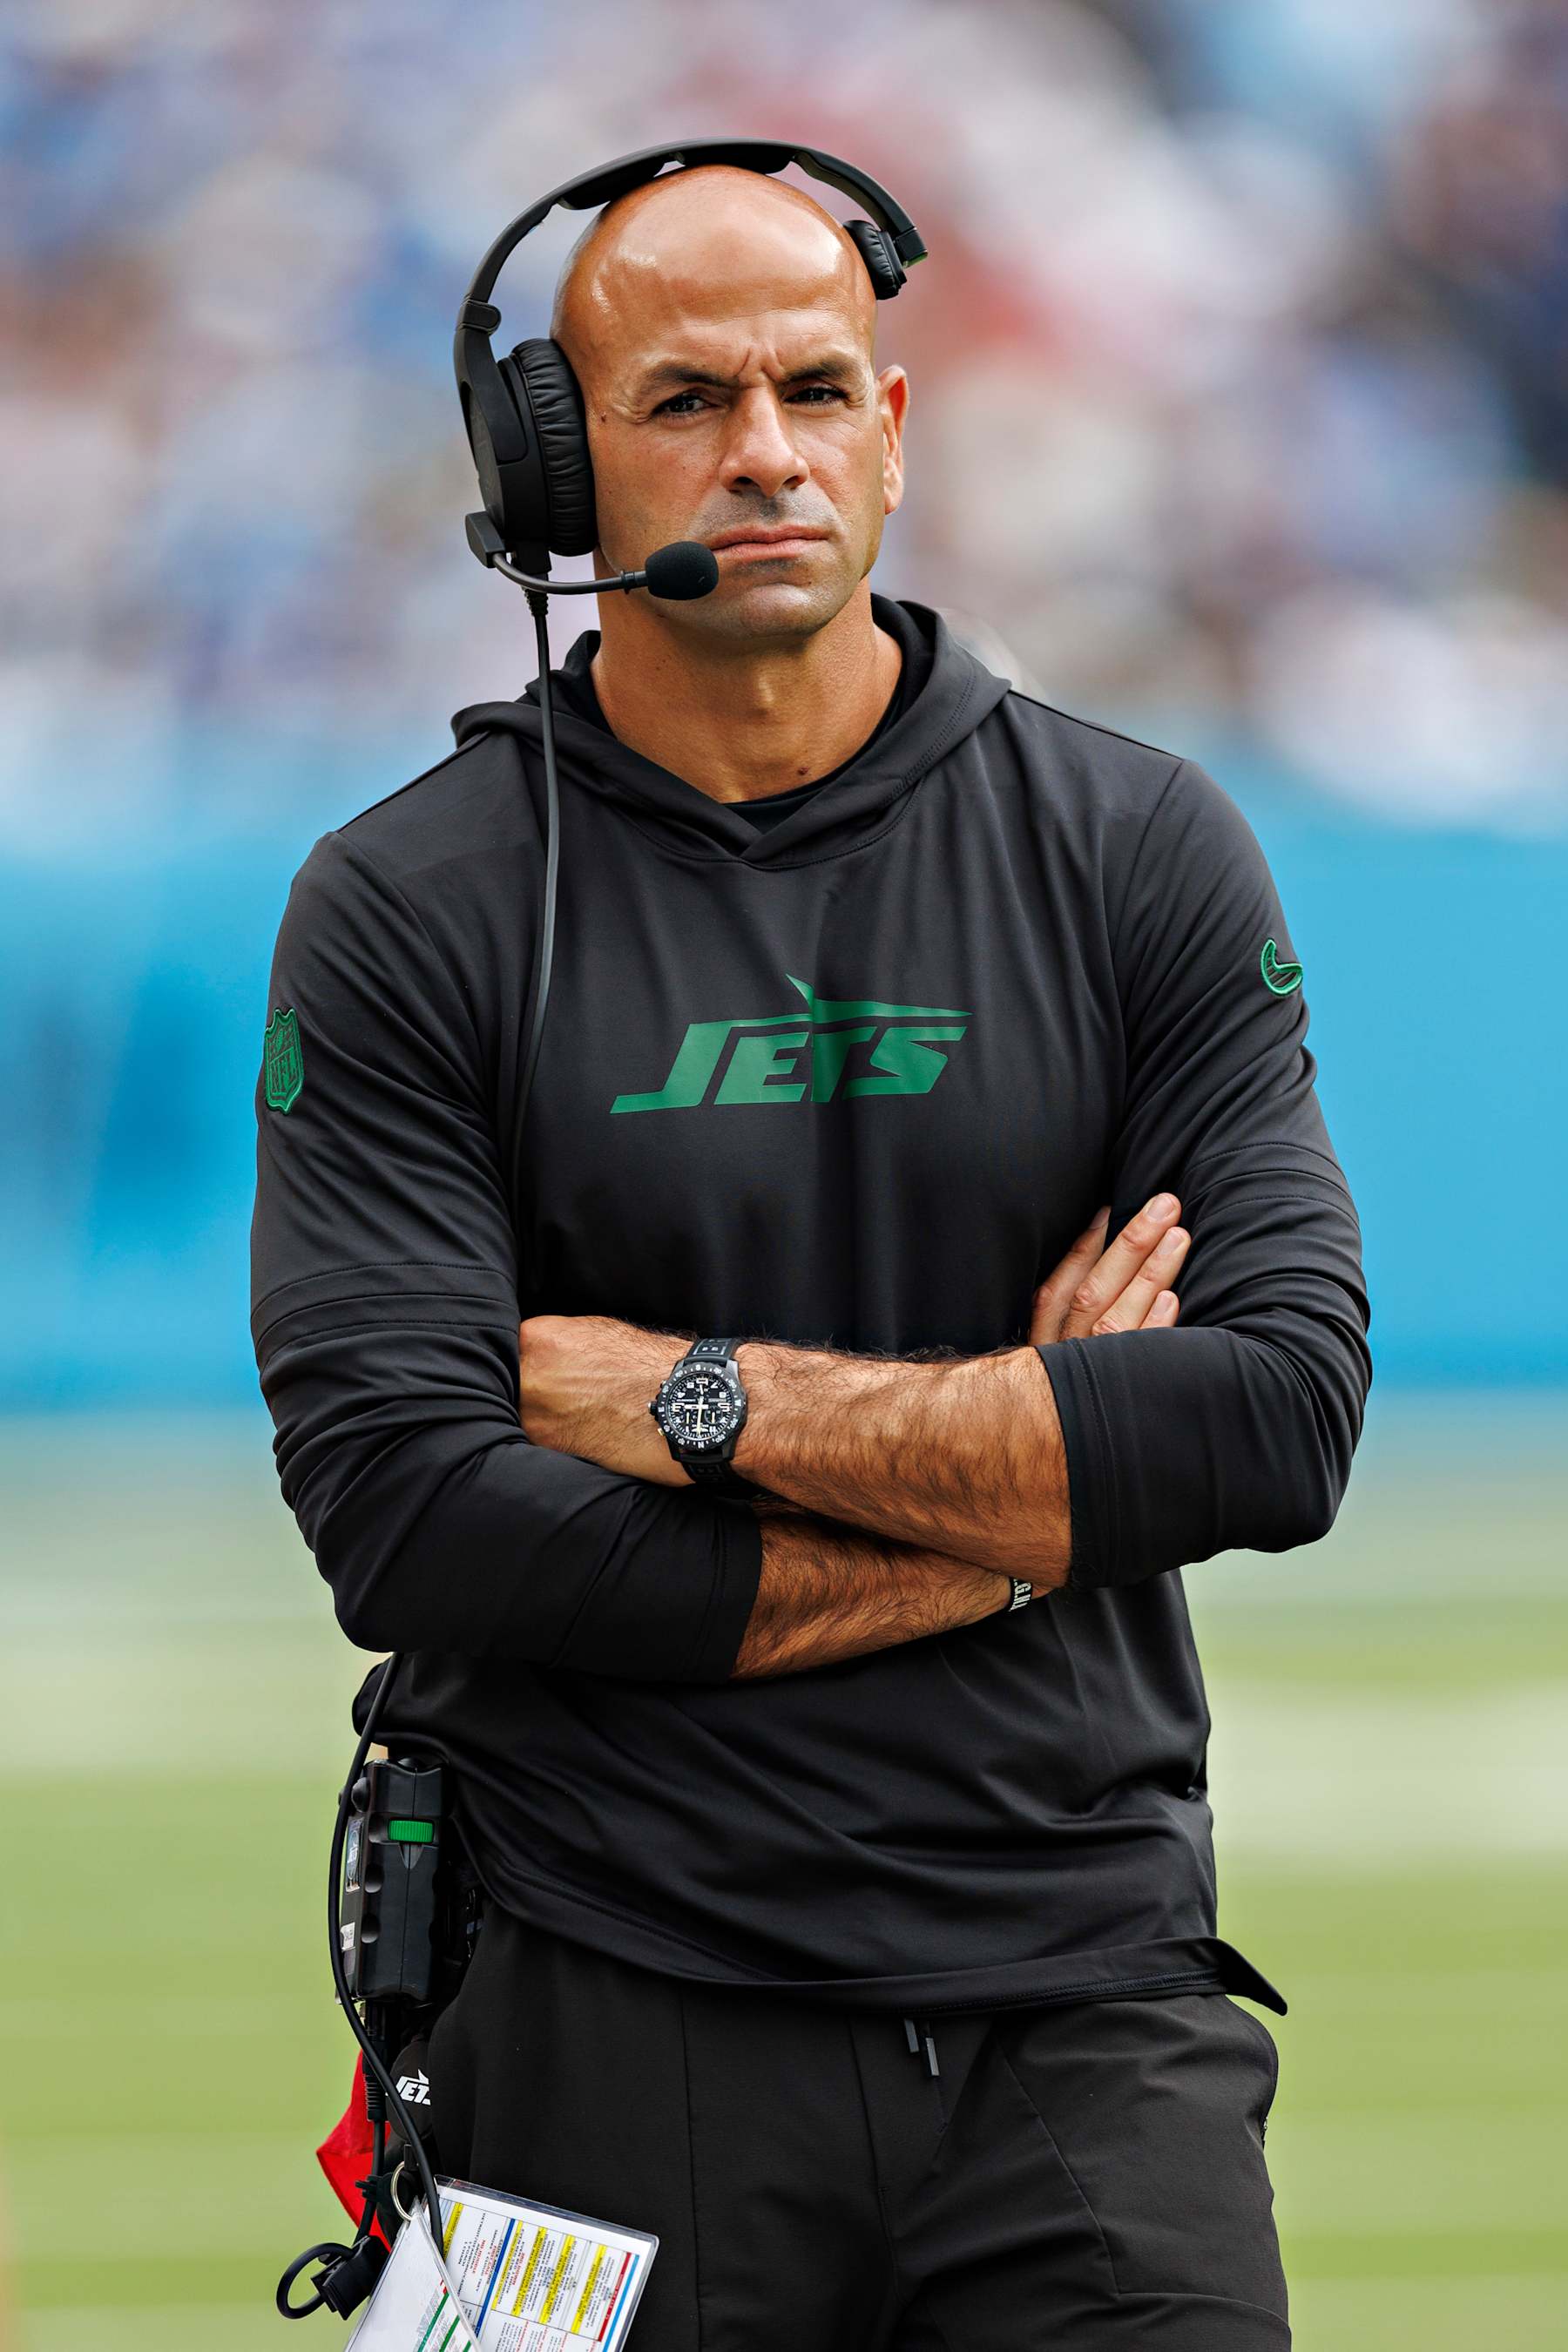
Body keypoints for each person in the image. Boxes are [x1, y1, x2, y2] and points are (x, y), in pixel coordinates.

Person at [251, 159, 1371, 2349]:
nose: (766, 451)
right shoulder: (409, 903)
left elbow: (1273, 1416)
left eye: (816, 389)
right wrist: (1034, 1504)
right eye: (683, 399)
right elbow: (408, 1514)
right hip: (592, 2010)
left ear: (893, 425)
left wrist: (694, 1402)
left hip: (1091, 2010)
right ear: (553, 466)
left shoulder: (1139, 842)